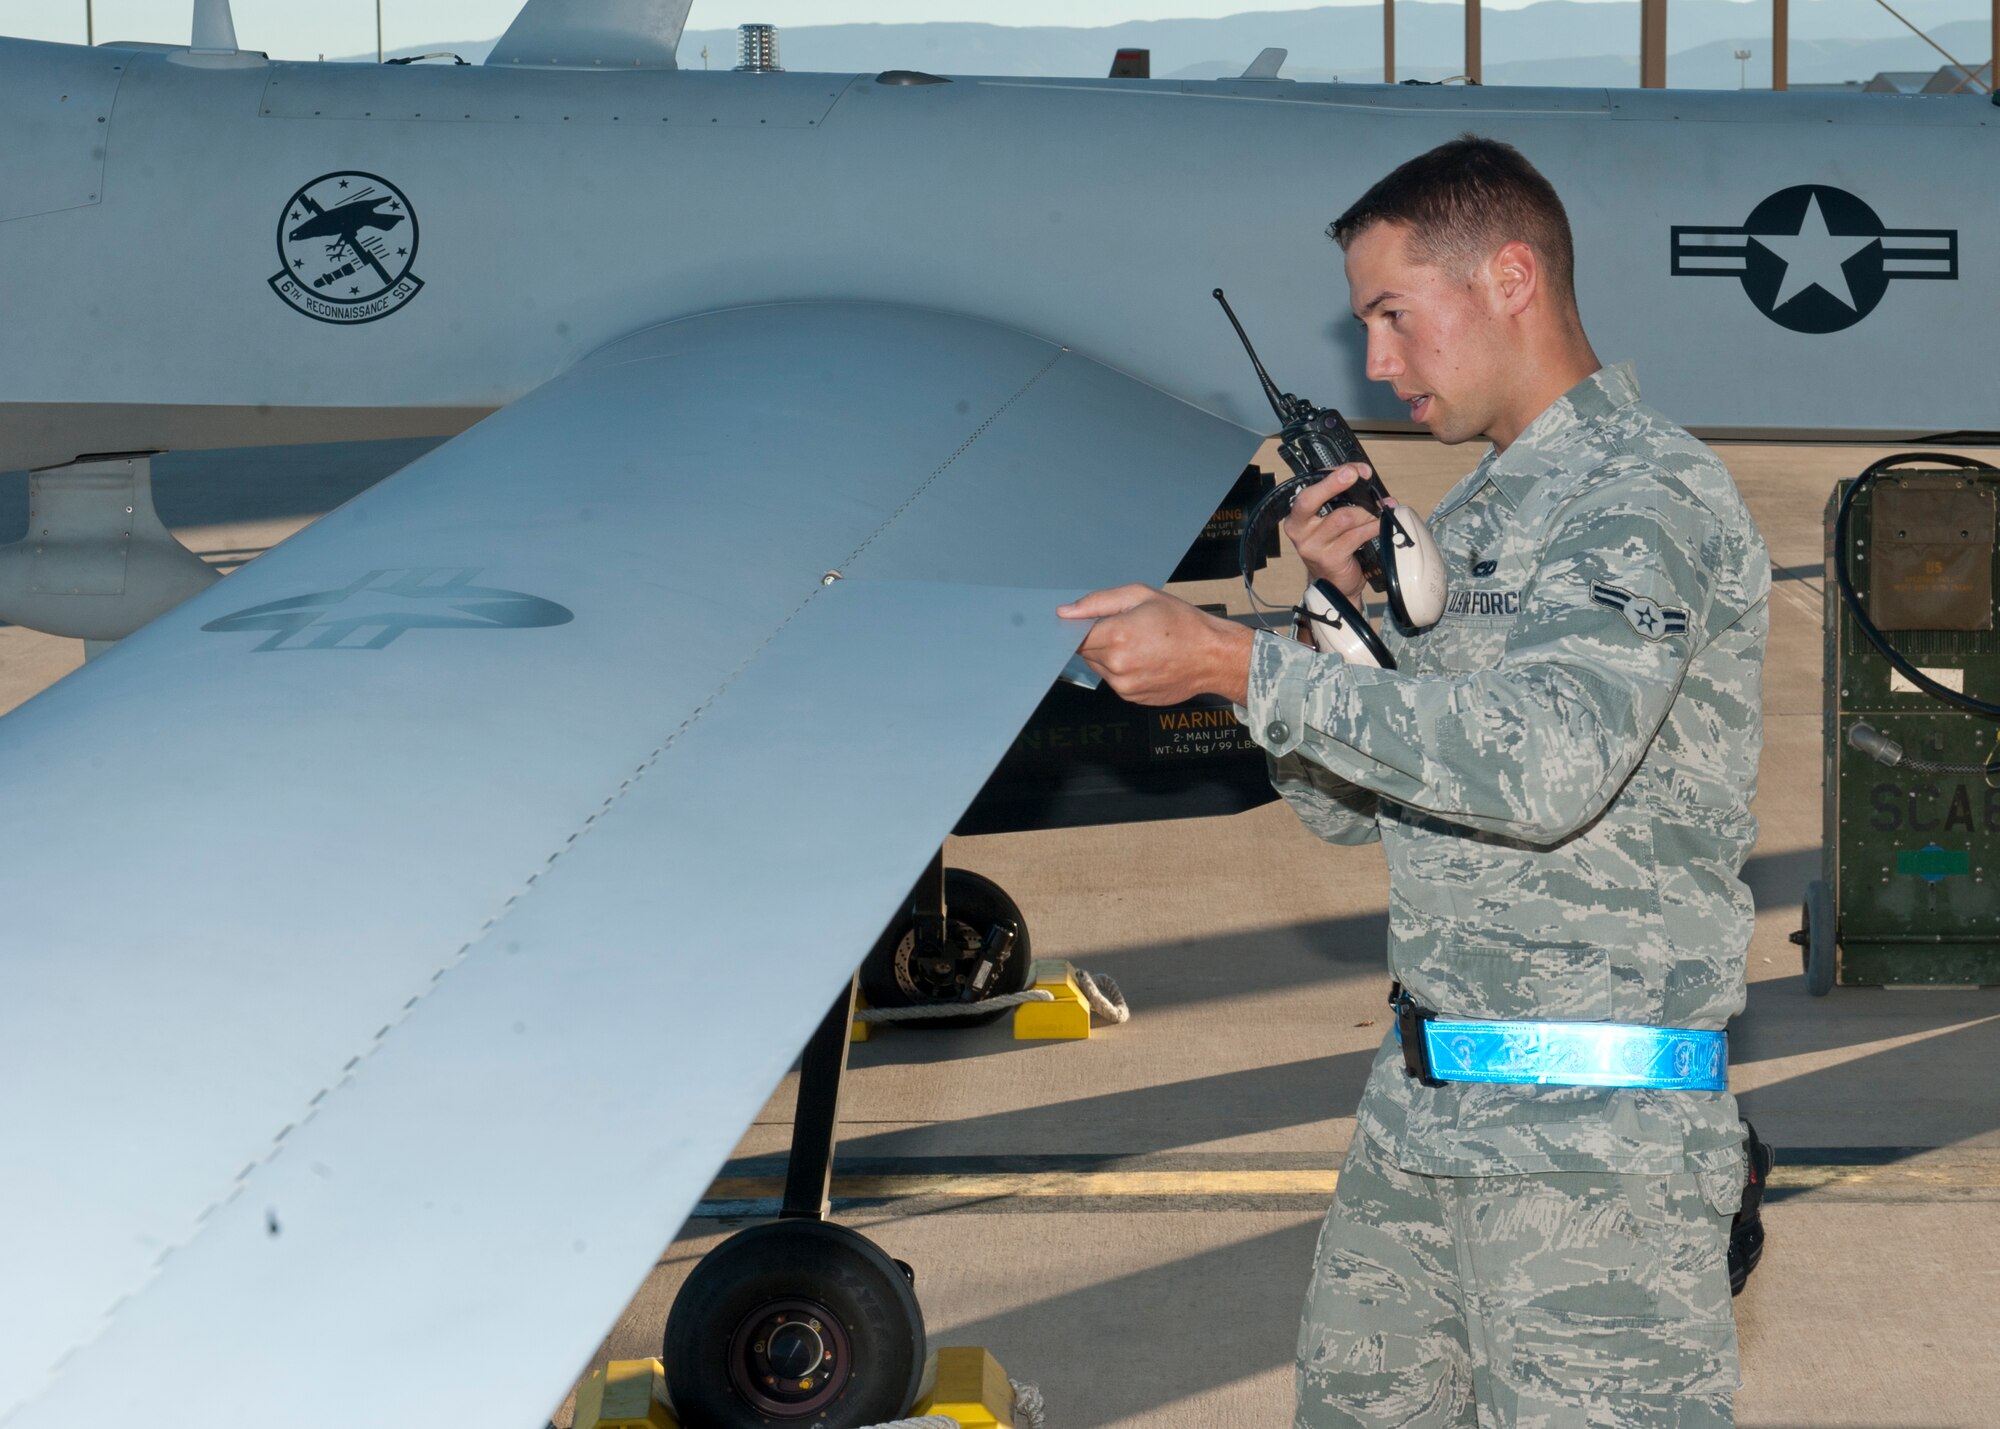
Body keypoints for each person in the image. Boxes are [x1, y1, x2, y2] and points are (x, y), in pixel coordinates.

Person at [1059, 135, 1768, 1427]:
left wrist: (1235, 662)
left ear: (1509, 277)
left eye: (1392, 314)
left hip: (1597, 1146)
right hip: (1426, 1115)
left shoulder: (1645, 496)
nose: (1374, 362)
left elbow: (1549, 766)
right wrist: (1336, 621)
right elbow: (1347, 812)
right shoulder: (1484, 521)